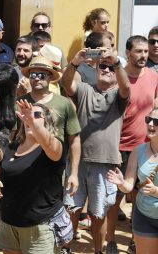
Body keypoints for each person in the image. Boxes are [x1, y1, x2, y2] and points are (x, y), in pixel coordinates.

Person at [61, 46, 131, 254]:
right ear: (97, 68)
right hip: (77, 162)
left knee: (98, 213)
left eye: (111, 68)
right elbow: (66, 84)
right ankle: (66, 248)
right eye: (103, 66)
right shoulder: (85, 89)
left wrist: (116, 62)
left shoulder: (119, 95)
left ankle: (98, 250)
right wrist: (74, 63)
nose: (107, 70)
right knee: (71, 208)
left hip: (105, 162)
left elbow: (126, 87)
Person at [0, 100, 69, 254]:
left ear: (47, 122)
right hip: (9, 223)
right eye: (27, 114)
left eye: (37, 114)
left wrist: (34, 124)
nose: (30, 117)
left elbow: (50, 144)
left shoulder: (54, 146)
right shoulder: (12, 147)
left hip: (39, 227)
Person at [105, 35, 158, 253]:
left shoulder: (154, 76)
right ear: (128, 52)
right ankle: (110, 240)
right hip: (118, 147)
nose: (144, 55)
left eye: (146, 51)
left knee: (140, 195)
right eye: (138, 51)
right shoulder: (118, 76)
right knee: (115, 197)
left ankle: (138, 239)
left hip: (144, 146)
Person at [18, 56, 81, 198]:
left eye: (41, 75)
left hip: (54, 169)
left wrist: (74, 173)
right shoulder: (19, 102)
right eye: (33, 75)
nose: (37, 79)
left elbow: (74, 140)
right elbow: (13, 137)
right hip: (24, 168)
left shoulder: (64, 103)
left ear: (50, 77)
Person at [107, 107, 158, 254]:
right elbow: (129, 186)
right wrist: (122, 183)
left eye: (156, 121)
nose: (150, 124)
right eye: (148, 120)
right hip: (144, 216)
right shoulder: (138, 151)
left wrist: (156, 192)